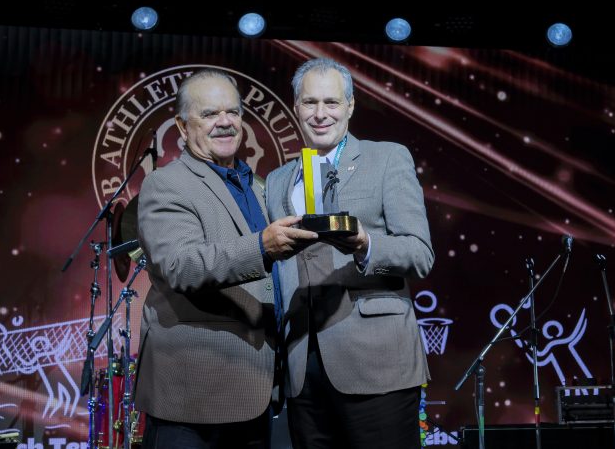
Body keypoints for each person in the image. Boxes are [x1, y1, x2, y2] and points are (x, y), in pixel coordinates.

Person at [134, 69, 318, 449]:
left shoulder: (258, 186)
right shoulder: (165, 184)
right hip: (192, 397)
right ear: (182, 127)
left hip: (255, 391)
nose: (225, 122)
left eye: (233, 112)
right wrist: (261, 247)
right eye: (209, 113)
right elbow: (180, 266)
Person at [265, 58, 435, 449]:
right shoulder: (276, 181)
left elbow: (420, 253)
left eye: (331, 102)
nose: (320, 113)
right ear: (296, 106)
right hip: (302, 367)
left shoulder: (387, 158)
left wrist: (365, 244)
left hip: (377, 362)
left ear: (350, 106)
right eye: (310, 102)